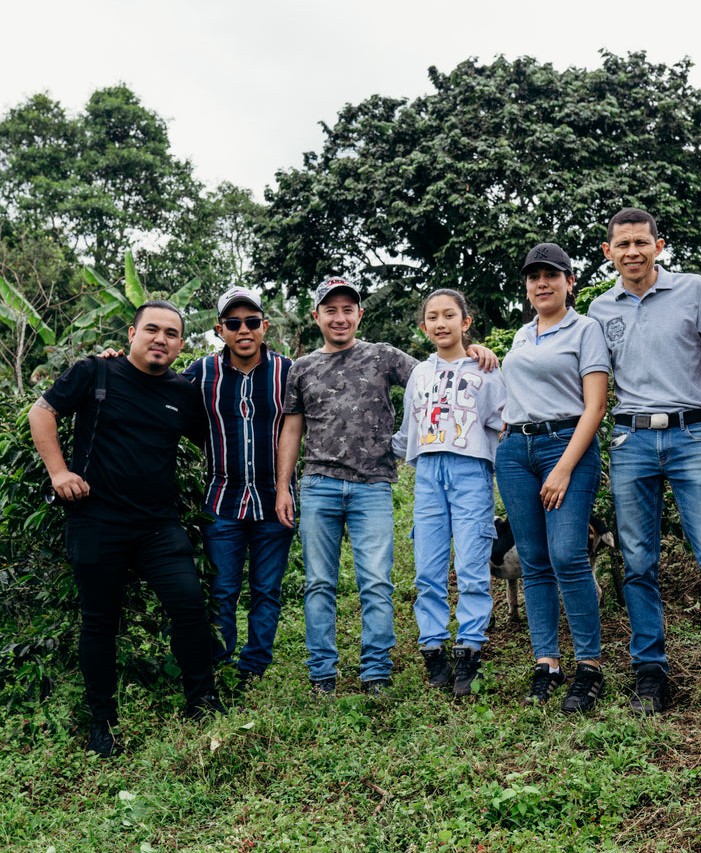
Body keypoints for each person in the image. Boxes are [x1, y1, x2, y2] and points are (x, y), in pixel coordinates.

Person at [275, 277, 498, 696]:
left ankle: (376, 671)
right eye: (330, 310)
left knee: (377, 583)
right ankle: (322, 672)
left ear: (360, 314)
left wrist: (475, 351)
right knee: (318, 583)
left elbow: (441, 374)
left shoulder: (383, 357)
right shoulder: (300, 368)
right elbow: (291, 428)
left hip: (374, 485)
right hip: (318, 484)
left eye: (348, 310)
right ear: (316, 316)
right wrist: (284, 486)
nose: (339, 318)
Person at [28, 301, 223, 758]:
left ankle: (203, 701)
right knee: (99, 623)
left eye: (171, 334)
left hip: (158, 523)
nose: (161, 339)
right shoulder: (95, 372)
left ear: (180, 344)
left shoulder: (184, 390)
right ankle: (103, 723)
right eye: (151, 330)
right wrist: (59, 473)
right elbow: (42, 412)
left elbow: (214, 439)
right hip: (97, 520)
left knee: (190, 607)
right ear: (132, 333)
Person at [588, 208, 701, 720]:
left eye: (642, 242)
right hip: (631, 439)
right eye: (623, 244)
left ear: (658, 246)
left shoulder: (694, 290)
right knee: (637, 564)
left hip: (691, 433)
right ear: (608, 252)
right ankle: (650, 675)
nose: (633, 252)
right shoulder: (599, 308)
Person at [494, 243, 609, 714]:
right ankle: (547, 661)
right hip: (515, 451)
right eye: (533, 276)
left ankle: (589, 666)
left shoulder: (586, 329)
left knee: (567, 554)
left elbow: (596, 406)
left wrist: (563, 466)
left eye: (551, 275)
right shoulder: (521, 336)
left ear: (569, 281)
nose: (541, 283)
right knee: (535, 560)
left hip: (567, 445)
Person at [392, 289, 507, 697]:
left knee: (473, 562)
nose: (441, 324)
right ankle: (433, 646)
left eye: (449, 316)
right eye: (433, 317)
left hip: (471, 469)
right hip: (428, 472)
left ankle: (470, 648)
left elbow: (502, 420)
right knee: (428, 564)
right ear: (424, 327)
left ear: (465, 322)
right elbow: (407, 430)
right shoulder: (419, 375)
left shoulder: (486, 368)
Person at [182, 287, 295, 691]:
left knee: (267, 590)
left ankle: (254, 668)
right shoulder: (200, 372)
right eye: (233, 323)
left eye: (251, 322)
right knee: (222, 591)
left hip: (275, 500)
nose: (243, 329)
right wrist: (113, 364)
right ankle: (222, 665)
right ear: (220, 330)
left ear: (265, 326)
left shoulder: (288, 371)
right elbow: (153, 389)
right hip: (222, 501)